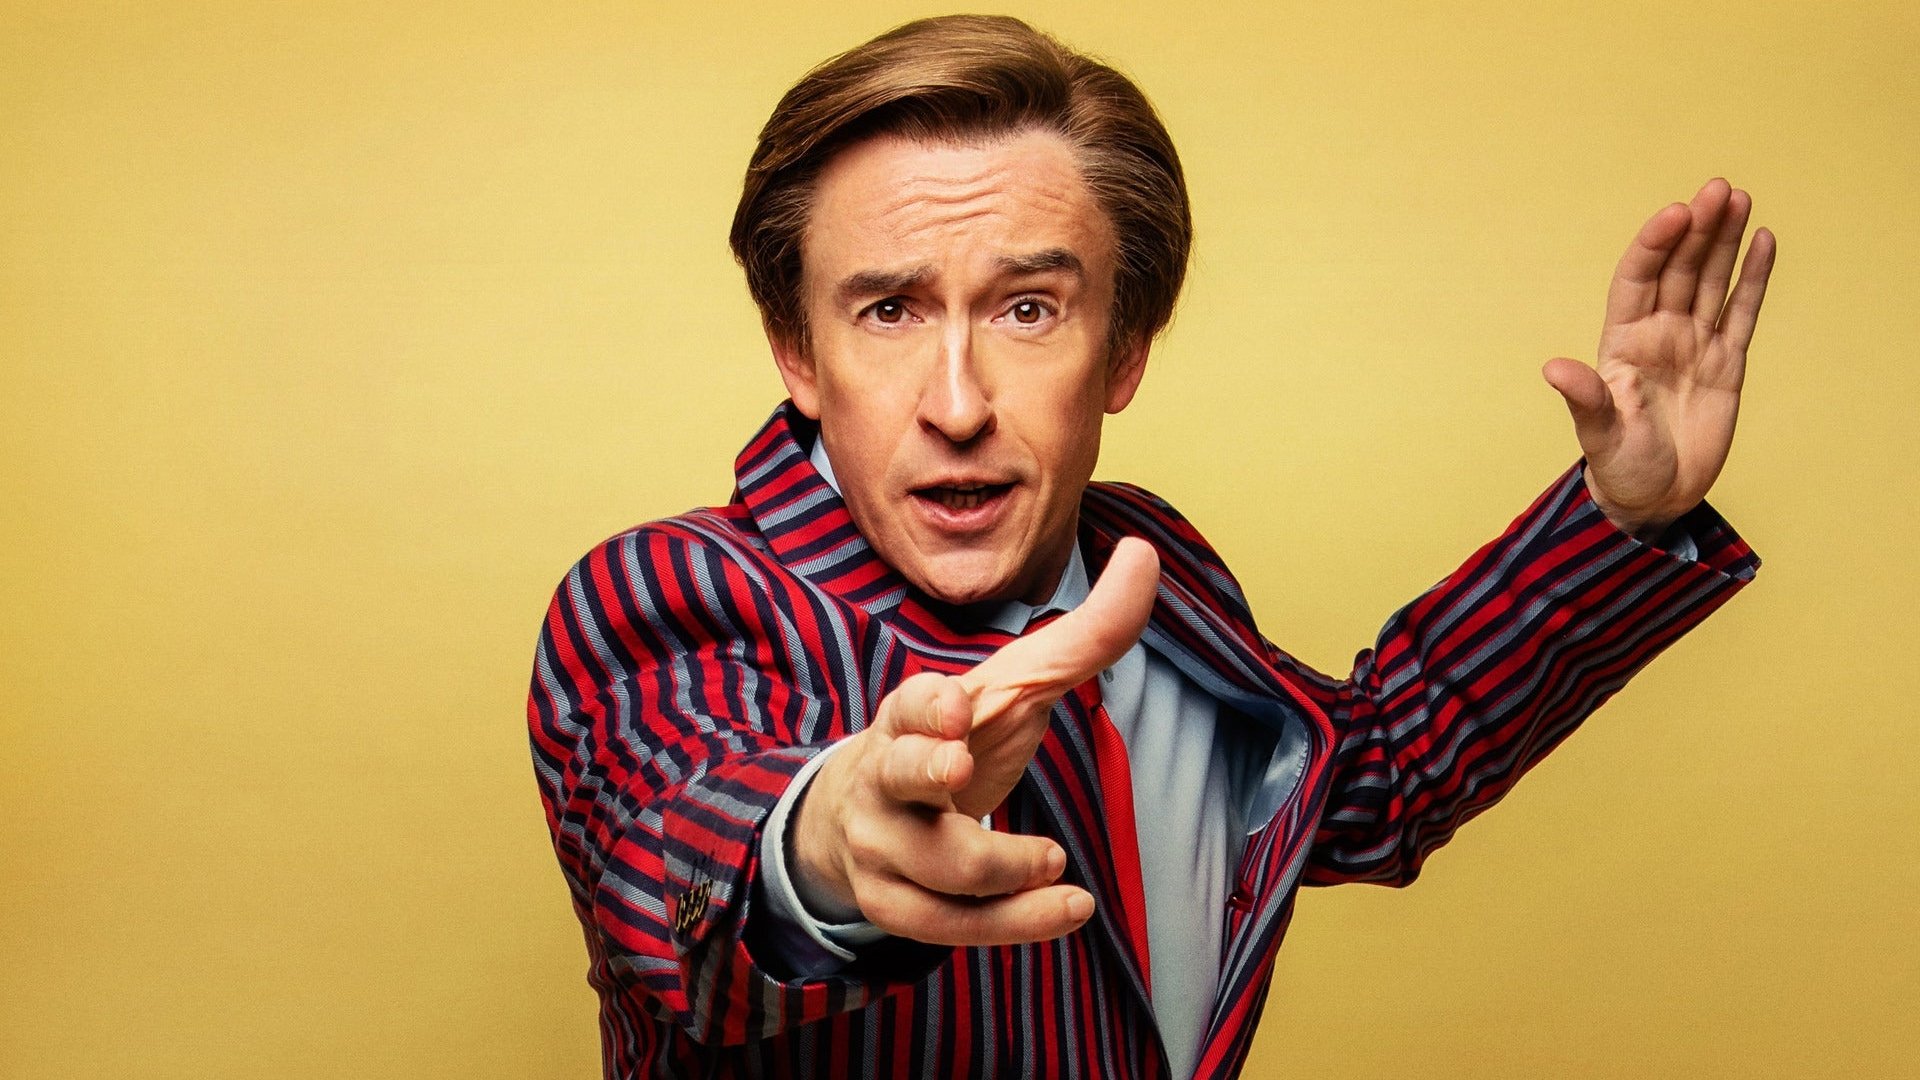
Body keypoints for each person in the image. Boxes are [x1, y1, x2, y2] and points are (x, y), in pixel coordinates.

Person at [525, 14, 1774, 1079]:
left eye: (1028, 309)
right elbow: (678, 859)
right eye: (889, 310)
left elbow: (1372, 781)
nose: (956, 404)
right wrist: (829, 844)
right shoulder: (673, 596)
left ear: (1123, 350)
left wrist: (1619, 514)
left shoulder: (1150, 570)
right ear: (799, 353)